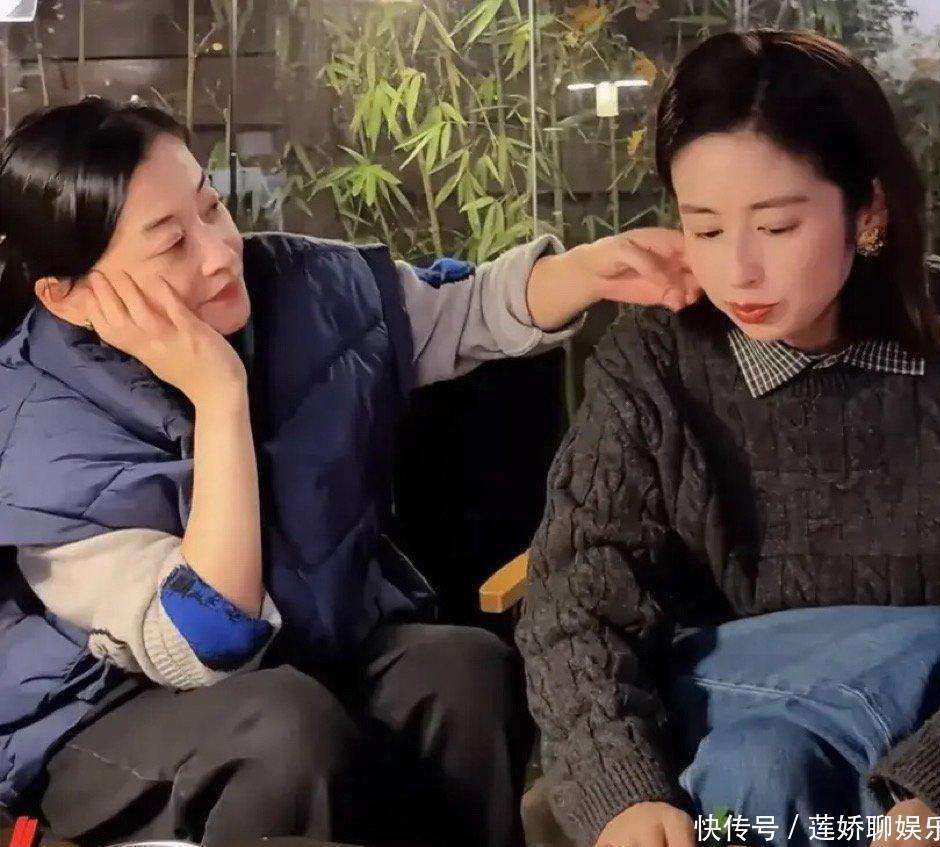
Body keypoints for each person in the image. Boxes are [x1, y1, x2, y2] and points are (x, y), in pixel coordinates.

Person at [0, 97, 700, 845]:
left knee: (462, 671)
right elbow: (207, 637)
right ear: (68, 294)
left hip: (303, 654)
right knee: (284, 732)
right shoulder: (35, 431)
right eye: (171, 243)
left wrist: (593, 269)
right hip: (103, 712)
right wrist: (220, 395)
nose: (218, 252)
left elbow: (462, 310)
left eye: (211, 207)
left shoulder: (294, 284)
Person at [515, 28, 940, 847]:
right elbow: (577, 604)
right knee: (763, 759)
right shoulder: (655, 363)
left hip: (918, 754)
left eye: (777, 228)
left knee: (784, 747)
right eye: (706, 230)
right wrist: (622, 794)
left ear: (868, 210)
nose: (739, 272)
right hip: (715, 745)